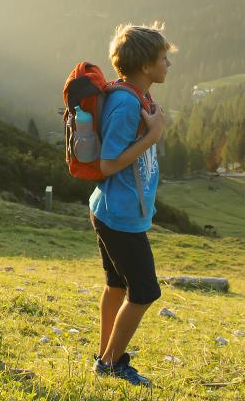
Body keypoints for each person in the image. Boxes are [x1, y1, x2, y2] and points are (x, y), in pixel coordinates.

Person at [90, 24, 174, 387]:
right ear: (144, 66)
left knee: (117, 285)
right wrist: (154, 135)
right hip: (119, 215)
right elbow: (108, 164)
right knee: (145, 291)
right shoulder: (126, 104)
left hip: (113, 210)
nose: (168, 63)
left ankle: (104, 353)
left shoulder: (135, 97)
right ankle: (111, 363)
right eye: (163, 58)